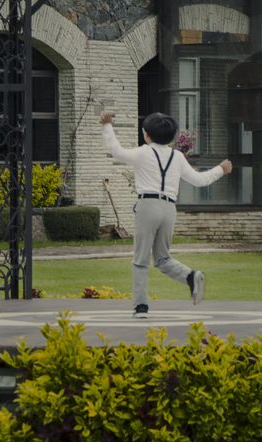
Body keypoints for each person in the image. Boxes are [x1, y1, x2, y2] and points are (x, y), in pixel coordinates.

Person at [100, 112, 233, 318]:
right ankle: (191, 276)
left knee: (140, 259)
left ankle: (141, 307)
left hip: (147, 205)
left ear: (146, 135)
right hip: (169, 208)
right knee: (162, 258)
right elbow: (199, 180)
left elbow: (116, 151)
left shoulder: (143, 153)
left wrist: (107, 125)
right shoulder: (177, 156)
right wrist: (220, 170)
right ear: (172, 137)